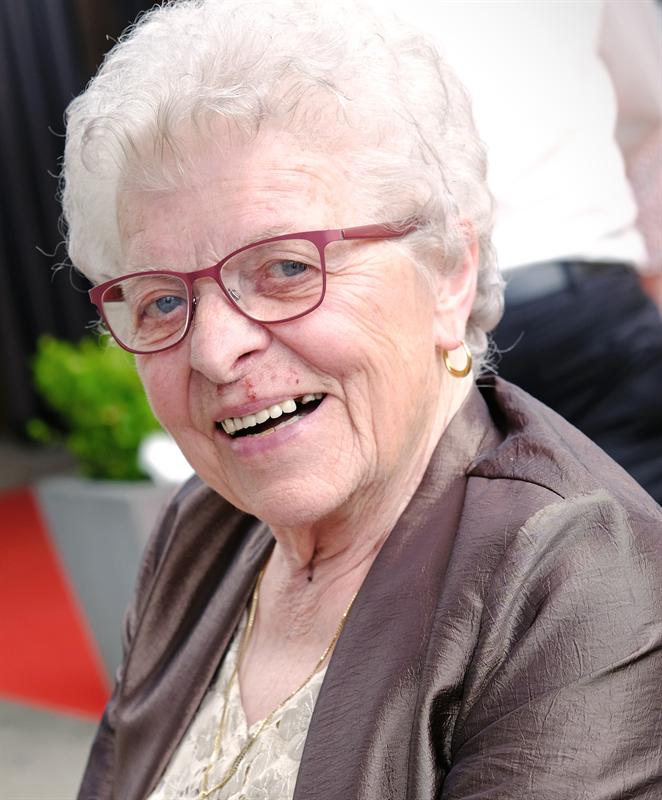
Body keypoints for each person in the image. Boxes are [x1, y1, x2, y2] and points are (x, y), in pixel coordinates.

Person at [61, 1, 662, 798]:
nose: (213, 349)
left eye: (285, 268)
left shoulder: (579, 586)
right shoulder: (203, 530)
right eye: (163, 301)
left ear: (448, 272)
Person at [383, 0, 662, 503]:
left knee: (478, 533)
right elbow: (647, 112)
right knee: (644, 512)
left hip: (441, 316)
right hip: (583, 291)